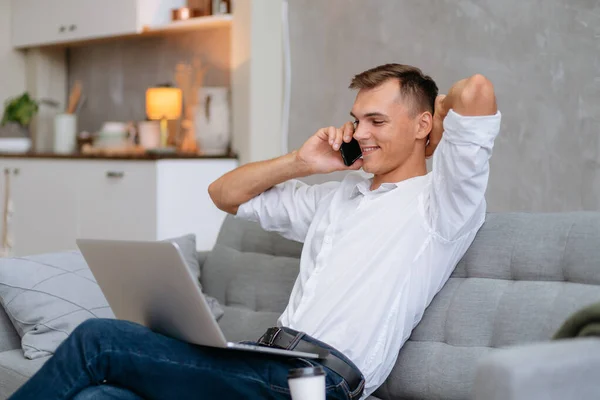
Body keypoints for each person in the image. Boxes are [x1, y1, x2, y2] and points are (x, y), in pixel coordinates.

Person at [9, 64, 500, 400]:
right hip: (263, 360)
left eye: (377, 120)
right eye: (356, 120)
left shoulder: (443, 203)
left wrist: (435, 123)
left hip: (316, 382)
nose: (361, 133)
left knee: (98, 339)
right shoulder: (337, 198)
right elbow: (224, 193)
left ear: (421, 125)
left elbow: (475, 89)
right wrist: (300, 162)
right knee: (102, 395)